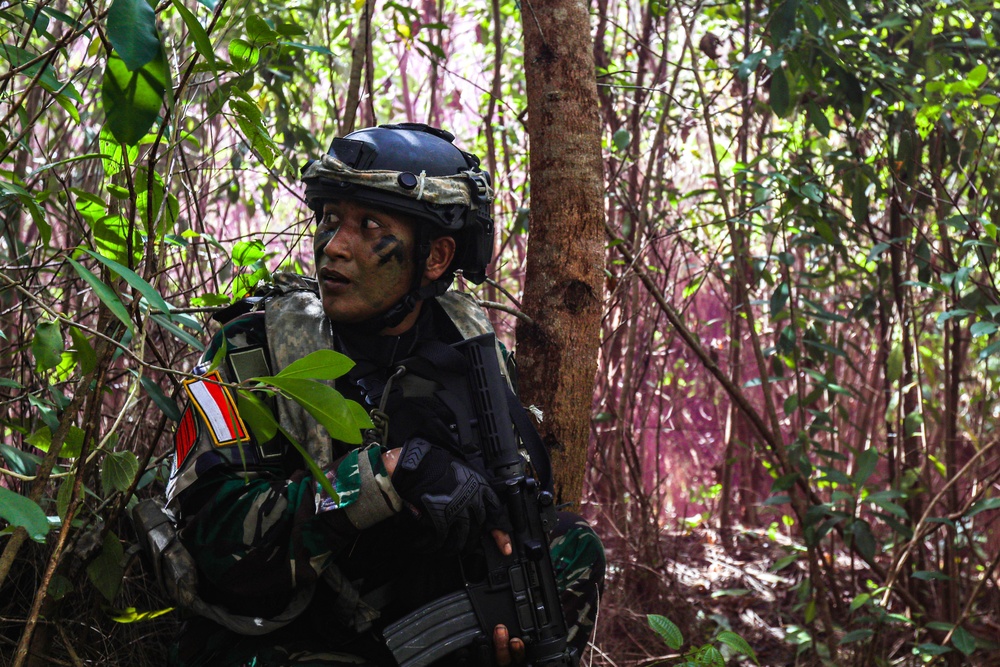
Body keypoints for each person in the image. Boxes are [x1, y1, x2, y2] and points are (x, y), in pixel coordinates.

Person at [160, 123, 605, 666]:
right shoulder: (251, 351)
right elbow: (218, 547)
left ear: (436, 257)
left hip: (410, 616)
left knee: (571, 545)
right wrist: (387, 475)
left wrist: (504, 607)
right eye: (329, 220)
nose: (334, 247)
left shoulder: (470, 350)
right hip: (289, 635)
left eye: (369, 226)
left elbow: (508, 509)